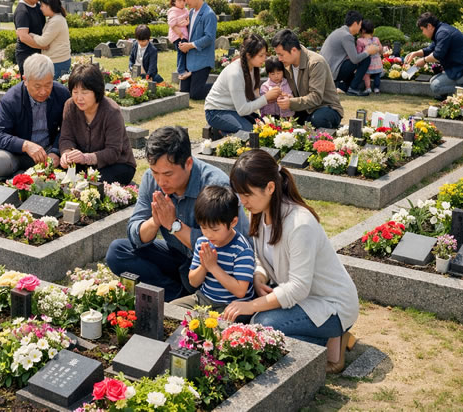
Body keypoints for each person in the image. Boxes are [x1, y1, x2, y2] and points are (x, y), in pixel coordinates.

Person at [222, 150, 359, 374]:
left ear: (270, 187)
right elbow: (260, 256)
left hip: (332, 305)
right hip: (302, 300)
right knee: (254, 323)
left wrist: (251, 305)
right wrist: (259, 276)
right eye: (239, 194)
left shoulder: (299, 224)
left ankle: (332, 339)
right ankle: (327, 338)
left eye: (247, 194)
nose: (242, 201)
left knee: (262, 325)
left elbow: (298, 287)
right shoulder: (260, 211)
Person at [106, 126, 250, 302]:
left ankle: (193, 295)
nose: (161, 181)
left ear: (188, 163)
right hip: (176, 254)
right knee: (117, 251)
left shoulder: (216, 185)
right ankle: (177, 295)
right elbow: (134, 232)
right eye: (155, 172)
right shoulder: (152, 180)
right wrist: (155, 221)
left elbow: (233, 242)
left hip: (212, 265)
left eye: (168, 174)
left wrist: (174, 225)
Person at [170, 185, 255, 315]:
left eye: (215, 229)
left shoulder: (242, 250)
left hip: (232, 305)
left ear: (233, 222)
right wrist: (204, 265)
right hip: (204, 298)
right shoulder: (202, 242)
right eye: (203, 227)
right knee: (170, 310)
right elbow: (193, 281)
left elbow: (240, 291)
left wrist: (213, 267)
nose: (209, 234)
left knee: (215, 326)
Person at [0, 54, 70, 178]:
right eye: (37, 86)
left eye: (48, 85)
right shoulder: (11, 99)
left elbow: (67, 128)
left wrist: (56, 151)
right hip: (16, 153)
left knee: (71, 158)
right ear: (25, 80)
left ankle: (22, 174)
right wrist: (25, 145)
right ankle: (22, 173)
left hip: (46, 152)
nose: (43, 91)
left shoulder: (62, 94)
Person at [60, 63, 136, 185]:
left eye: (84, 92)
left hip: (117, 164)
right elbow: (66, 138)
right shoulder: (70, 106)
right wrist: (67, 154)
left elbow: (113, 151)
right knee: (57, 178)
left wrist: (86, 158)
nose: (79, 98)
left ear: (97, 91)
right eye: (75, 92)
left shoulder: (112, 111)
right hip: (83, 164)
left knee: (90, 184)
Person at [204, 33, 280, 134]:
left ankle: (227, 130)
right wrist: (266, 98)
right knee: (251, 133)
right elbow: (242, 110)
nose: (264, 58)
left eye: (265, 54)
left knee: (263, 127)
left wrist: (271, 98)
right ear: (248, 55)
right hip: (216, 112)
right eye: (261, 55)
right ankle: (224, 132)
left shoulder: (253, 68)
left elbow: (251, 99)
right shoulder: (235, 73)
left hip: (234, 110)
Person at [271, 29, 344, 129]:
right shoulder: (286, 64)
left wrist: (291, 102)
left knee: (317, 120)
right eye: (277, 54)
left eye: (281, 54)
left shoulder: (316, 63)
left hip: (326, 108)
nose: (279, 59)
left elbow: (316, 97)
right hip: (304, 109)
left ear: (293, 50)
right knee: (280, 121)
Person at [404, 12, 463, 99]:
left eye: (422, 29)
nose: (423, 33)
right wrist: (415, 53)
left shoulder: (443, 33)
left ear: (429, 26)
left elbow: (437, 55)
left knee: (436, 86)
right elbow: (430, 49)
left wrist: (424, 60)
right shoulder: (440, 30)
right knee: (433, 80)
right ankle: (456, 91)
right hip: (460, 68)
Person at [320, 10, 379, 97]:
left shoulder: (339, 31)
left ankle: (345, 87)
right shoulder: (346, 36)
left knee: (354, 60)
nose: (360, 29)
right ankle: (353, 88)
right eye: (360, 25)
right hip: (332, 72)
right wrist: (368, 51)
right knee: (366, 58)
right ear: (355, 24)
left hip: (327, 70)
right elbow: (355, 59)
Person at [177, 0, 217, 100]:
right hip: (191, 60)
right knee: (184, 91)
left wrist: (190, 45)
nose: (186, 2)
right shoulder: (191, 12)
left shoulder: (209, 14)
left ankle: (221, 87)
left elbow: (209, 37)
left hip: (202, 60)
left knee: (196, 94)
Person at [29, 0, 71, 77]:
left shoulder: (56, 21)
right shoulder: (54, 19)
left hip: (58, 62)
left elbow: (43, 41)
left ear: (49, 6)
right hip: (57, 61)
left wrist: (32, 35)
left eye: (42, 5)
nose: (40, 8)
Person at [13, 0, 46, 75]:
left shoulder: (38, 6)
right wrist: (43, 46)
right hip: (27, 56)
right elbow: (23, 37)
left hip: (39, 54)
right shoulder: (22, 11)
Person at [167, 0, 190, 79]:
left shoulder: (185, 10)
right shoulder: (173, 11)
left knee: (183, 52)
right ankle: (181, 71)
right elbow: (172, 24)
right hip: (178, 36)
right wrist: (180, 35)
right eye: (179, 0)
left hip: (184, 35)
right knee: (181, 52)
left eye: (184, 0)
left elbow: (188, 18)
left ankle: (181, 69)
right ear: (174, 1)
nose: (182, 3)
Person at [358, 19, 384, 94]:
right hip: (377, 63)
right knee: (377, 75)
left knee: (366, 75)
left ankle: (368, 88)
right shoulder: (376, 39)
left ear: (363, 30)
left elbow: (359, 53)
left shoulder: (360, 41)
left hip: (368, 63)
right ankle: (376, 89)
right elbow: (381, 49)